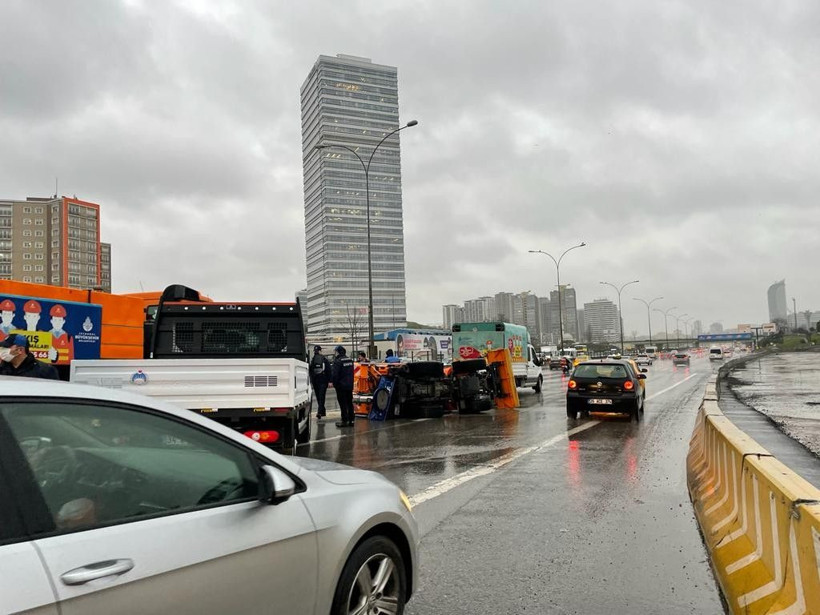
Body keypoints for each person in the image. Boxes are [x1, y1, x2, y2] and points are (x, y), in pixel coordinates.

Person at [331, 345, 355, 428]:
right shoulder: (350, 360)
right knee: (349, 403)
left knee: (343, 404)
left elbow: (335, 374)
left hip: (341, 386)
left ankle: (344, 420)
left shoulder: (338, 361)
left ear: (338, 352)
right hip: (349, 385)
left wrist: (335, 384)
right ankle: (351, 420)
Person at [309, 345, 331, 418]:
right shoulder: (324, 359)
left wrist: (311, 380)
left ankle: (320, 412)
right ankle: (322, 411)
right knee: (321, 396)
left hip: (315, 381)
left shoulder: (313, 360)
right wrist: (330, 381)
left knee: (319, 396)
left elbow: (310, 370)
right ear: (320, 351)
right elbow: (329, 370)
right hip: (323, 380)